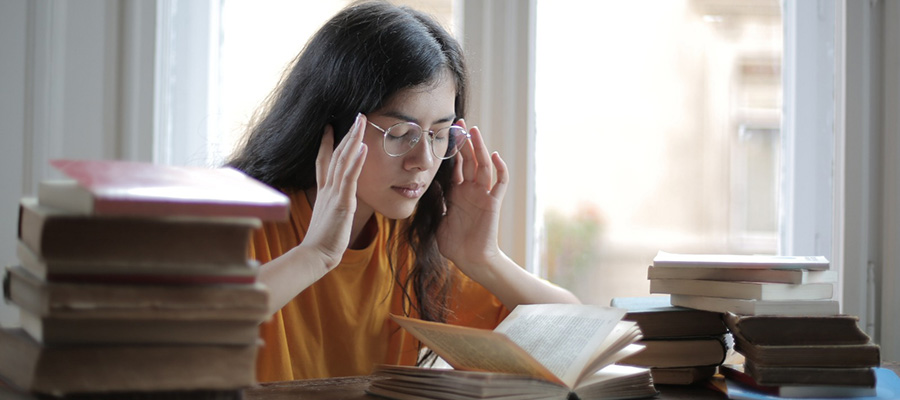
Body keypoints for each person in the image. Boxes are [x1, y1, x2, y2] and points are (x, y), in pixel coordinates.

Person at [227, 0, 579, 382]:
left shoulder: (407, 239)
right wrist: (317, 254)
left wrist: (483, 258)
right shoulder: (240, 221)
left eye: (439, 134)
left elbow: (574, 335)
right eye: (399, 134)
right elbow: (176, 330)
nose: (423, 160)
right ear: (332, 126)